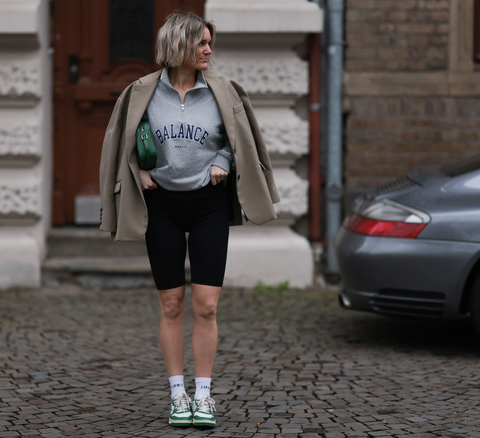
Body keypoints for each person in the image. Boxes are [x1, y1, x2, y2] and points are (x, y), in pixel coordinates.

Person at [99, 11, 279, 428]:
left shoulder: (223, 91)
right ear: (178, 45)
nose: (208, 50)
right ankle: (177, 394)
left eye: (209, 43)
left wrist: (221, 159)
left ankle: (203, 395)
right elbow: (120, 142)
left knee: (207, 304)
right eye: (201, 43)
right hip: (160, 205)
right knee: (171, 303)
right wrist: (137, 171)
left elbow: (242, 139)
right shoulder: (141, 92)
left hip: (208, 205)